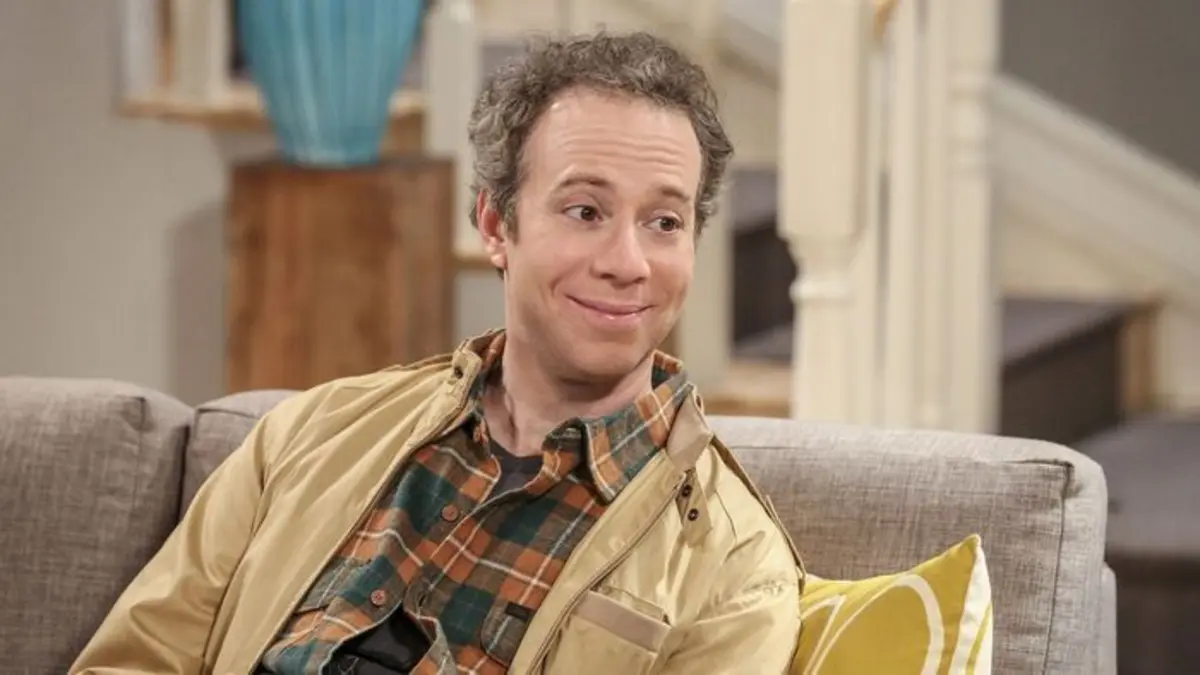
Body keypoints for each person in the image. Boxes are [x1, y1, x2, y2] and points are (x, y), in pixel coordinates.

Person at [70, 31, 804, 675]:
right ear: (495, 224)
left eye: (665, 222)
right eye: (586, 211)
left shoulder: (736, 572)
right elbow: (135, 658)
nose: (628, 262)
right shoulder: (313, 433)